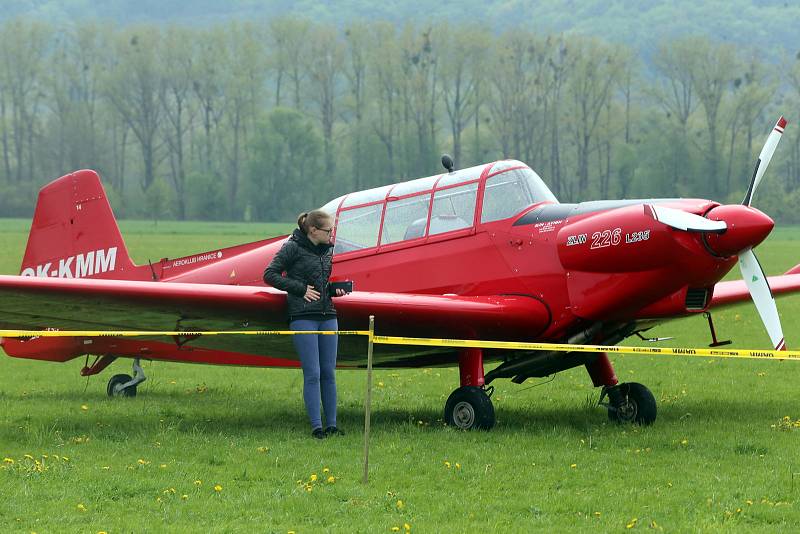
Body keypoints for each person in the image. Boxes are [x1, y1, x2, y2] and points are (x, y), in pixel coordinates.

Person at [263, 210, 346, 439]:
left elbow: (321, 282)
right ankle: (316, 428)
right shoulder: (293, 246)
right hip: (302, 316)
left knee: (329, 372)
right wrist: (300, 289)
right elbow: (269, 274)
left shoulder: (327, 252)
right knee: (313, 373)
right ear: (313, 230)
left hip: (328, 314)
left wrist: (333, 290)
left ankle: (332, 426)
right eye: (328, 231)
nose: (332, 235)